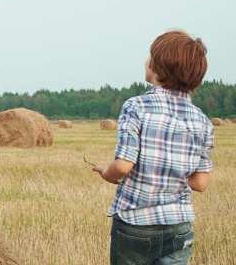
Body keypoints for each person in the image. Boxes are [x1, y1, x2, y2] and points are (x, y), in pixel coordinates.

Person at [91, 29, 214, 264]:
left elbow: (123, 166)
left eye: (150, 56)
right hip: (179, 226)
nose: (146, 60)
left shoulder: (136, 107)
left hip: (135, 224)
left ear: (158, 67)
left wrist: (107, 173)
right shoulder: (202, 121)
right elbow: (200, 183)